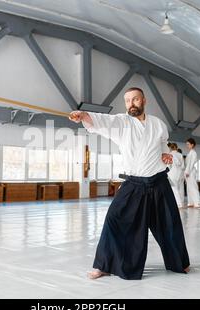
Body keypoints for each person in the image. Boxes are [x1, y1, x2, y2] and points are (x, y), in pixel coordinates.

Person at [69, 87, 190, 280]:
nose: (131, 104)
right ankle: (104, 265)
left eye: (135, 99)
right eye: (127, 101)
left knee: (170, 223)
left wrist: (166, 154)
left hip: (159, 181)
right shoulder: (122, 122)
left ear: (144, 101)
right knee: (114, 220)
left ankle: (179, 262)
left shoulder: (158, 124)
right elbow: (103, 121)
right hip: (134, 183)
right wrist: (84, 115)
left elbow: (163, 144)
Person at [184, 138, 200, 208]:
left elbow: (191, 163)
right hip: (188, 171)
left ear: (192, 145)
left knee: (193, 187)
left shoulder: (193, 153)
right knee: (189, 188)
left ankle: (197, 203)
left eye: (188, 144)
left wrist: (188, 171)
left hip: (190, 171)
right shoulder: (190, 153)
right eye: (186, 144)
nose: (187, 146)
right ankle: (191, 202)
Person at [168, 143, 185, 208]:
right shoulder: (180, 155)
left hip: (172, 173)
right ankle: (182, 202)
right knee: (181, 188)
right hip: (180, 173)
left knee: (174, 189)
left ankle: (179, 203)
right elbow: (183, 166)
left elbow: (169, 166)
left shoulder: (170, 154)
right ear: (176, 147)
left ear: (170, 148)